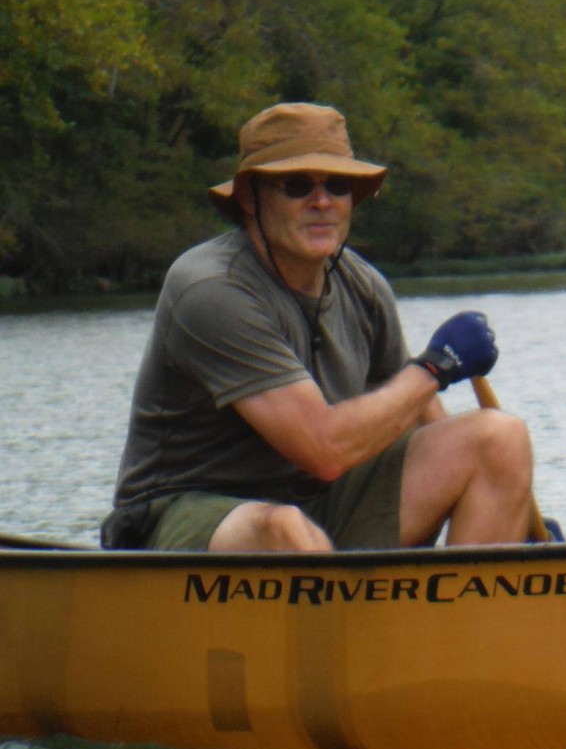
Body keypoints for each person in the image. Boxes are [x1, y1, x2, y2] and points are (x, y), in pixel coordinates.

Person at [101, 102, 538, 552]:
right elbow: (324, 450)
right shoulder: (211, 289)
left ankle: (478, 605)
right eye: (296, 186)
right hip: (180, 515)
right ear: (251, 199)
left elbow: (411, 416)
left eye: (338, 184)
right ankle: (346, 614)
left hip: (317, 504)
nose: (322, 201)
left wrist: (509, 508)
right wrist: (435, 368)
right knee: (283, 530)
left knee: (498, 437)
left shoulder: (363, 285)